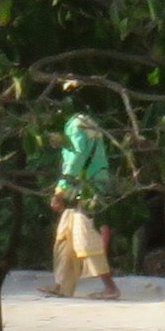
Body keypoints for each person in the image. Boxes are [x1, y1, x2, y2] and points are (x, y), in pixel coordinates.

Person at [50, 110, 122, 300]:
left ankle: (110, 287)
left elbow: (76, 158)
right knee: (65, 235)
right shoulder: (86, 123)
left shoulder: (76, 125)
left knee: (86, 238)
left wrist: (60, 190)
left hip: (88, 189)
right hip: (84, 187)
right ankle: (62, 285)